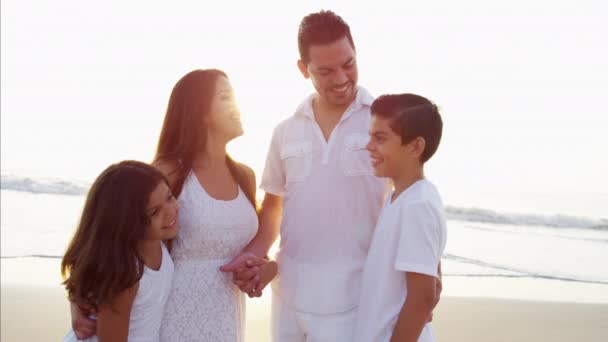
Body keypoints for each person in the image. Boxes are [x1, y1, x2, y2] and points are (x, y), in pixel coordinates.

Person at [70, 69, 277, 341]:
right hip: (170, 319)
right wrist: (77, 301)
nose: (236, 106)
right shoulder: (169, 173)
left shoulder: (245, 176)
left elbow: (255, 245)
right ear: (200, 111)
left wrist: (266, 268)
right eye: (225, 97)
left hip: (226, 318)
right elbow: (109, 236)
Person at [220, 11, 389, 342]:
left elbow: (410, 195)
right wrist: (254, 254)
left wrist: (428, 270)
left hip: (357, 299)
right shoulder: (286, 130)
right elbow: (273, 207)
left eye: (348, 64)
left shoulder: (385, 121)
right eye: (325, 71)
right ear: (303, 69)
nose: (341, 78)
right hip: (290, 298)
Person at [355, 94, 446, 342]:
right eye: (371, 136)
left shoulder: (418, 204)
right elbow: (434, 281)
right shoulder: (399, 198)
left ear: (415, 147)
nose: (369, 145)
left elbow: (423, 297)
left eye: (380, 138)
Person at [62, 160, 178, 342]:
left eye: (170, 197)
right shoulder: (126, 276)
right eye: (154, 212)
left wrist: (76, 309)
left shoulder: (159, 242)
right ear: (126, 220)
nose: (171, 211)